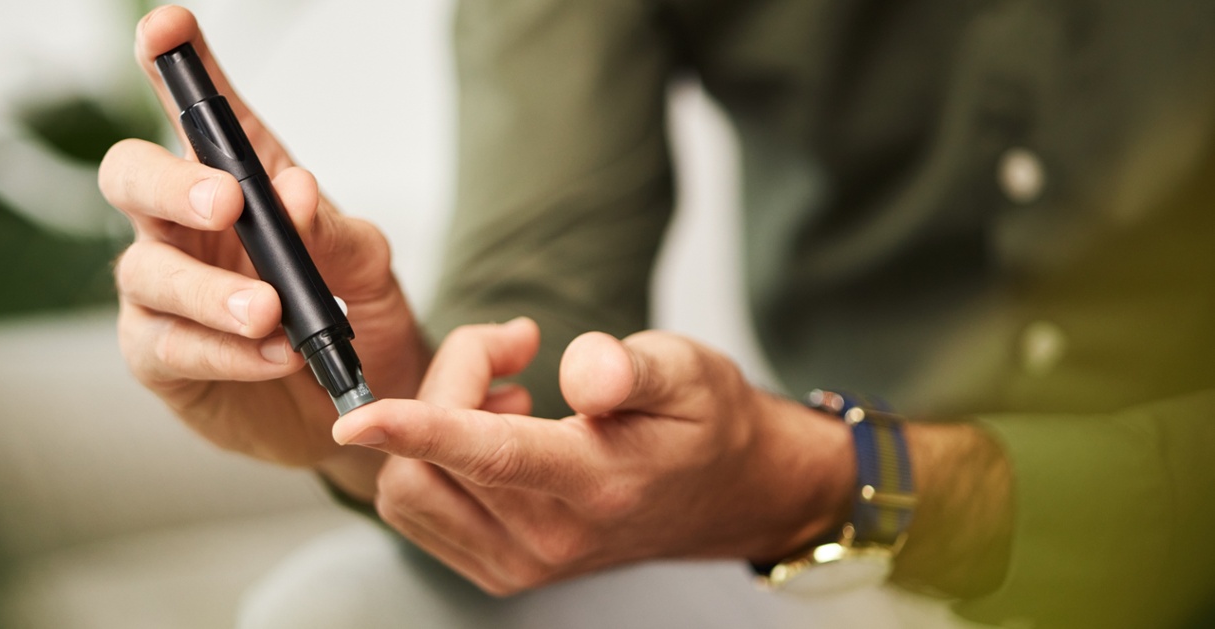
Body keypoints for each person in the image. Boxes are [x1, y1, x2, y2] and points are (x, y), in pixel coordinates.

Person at [99, 3, 1215, 628]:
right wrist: (401, 414)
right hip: (871, 564)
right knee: (343, 612)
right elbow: (542, 283)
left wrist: (836, 478)